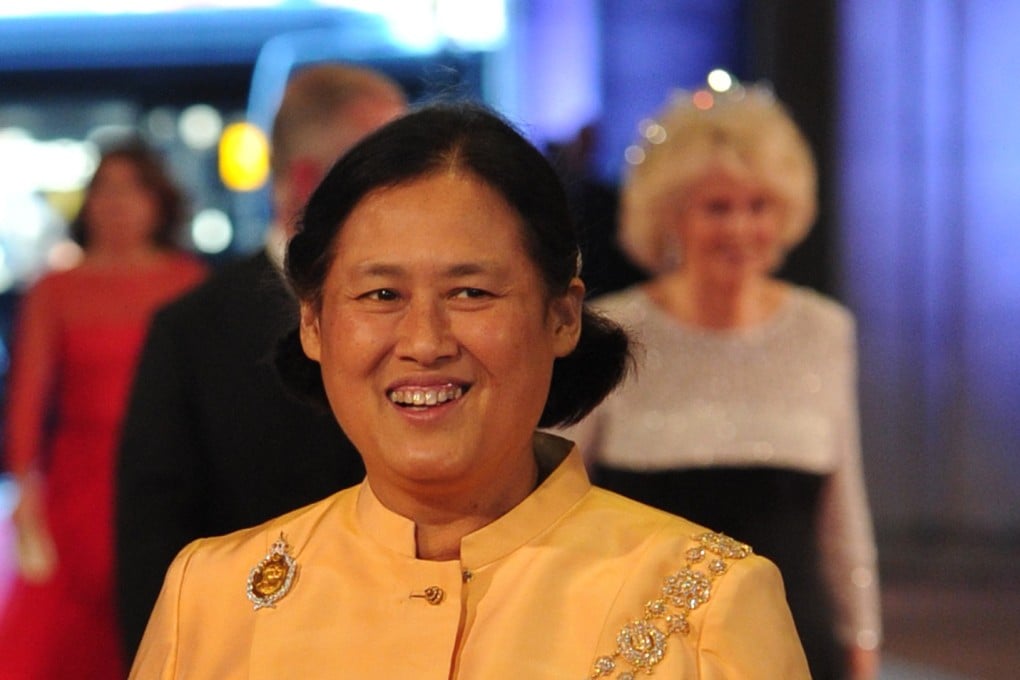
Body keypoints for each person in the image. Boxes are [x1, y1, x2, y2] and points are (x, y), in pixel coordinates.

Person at [128, 103, 810, 679]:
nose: (424, 341)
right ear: (313, 322)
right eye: (382, 294)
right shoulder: (210, 595)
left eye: (471, 292)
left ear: (562, 316)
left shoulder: (705, 603)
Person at [560, 80, 882, 680]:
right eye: (717, 208)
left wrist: (862, 645)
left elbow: (843, 512)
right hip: (646, 653)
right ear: (669, 216)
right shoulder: (612, 333)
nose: (740, 228)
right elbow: (559, 500)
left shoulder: (824, 329)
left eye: (758, 206)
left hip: (796, 651)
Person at [114, 63, 407, 660]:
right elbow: (154, 546)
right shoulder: (192, 330)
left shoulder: (424, 313)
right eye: (387, 173)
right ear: (306, 179)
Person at [0, 141, 207, 679]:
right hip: (80, 484)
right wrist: (26, 489)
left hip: (168, 473)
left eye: (132, 189)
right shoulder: (55, 289)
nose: (117, 204)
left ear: (159, 201)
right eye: (105, 189)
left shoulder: (188, 282)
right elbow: (27, 396)